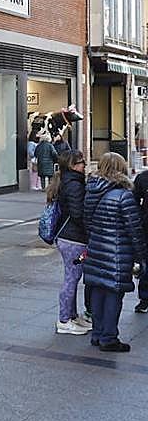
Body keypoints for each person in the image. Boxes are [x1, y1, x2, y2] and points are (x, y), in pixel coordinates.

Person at [83, 152, 145, 352]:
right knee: (113, 294)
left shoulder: (91, 190)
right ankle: (109, 337)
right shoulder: (124, 195)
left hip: (96, 247)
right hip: (117, 252)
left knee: (98, 290)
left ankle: (98, 333)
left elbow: (87, 221)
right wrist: (141, 256)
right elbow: (134, 230)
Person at [49, 149, 92, 335]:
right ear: (73, 165)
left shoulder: (67, 180)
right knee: (71, 279)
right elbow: (78, 213)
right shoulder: (74, 184)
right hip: (73, 239)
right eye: (81, 162)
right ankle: (64, 320)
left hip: (68, 237)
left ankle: (72, 316)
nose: (85, 165)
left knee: (72, 277)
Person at [131, 154, 148, 314]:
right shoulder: (143, 178)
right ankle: (144, 298)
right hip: (146, 228)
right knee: (146, 264)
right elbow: (135, 200)